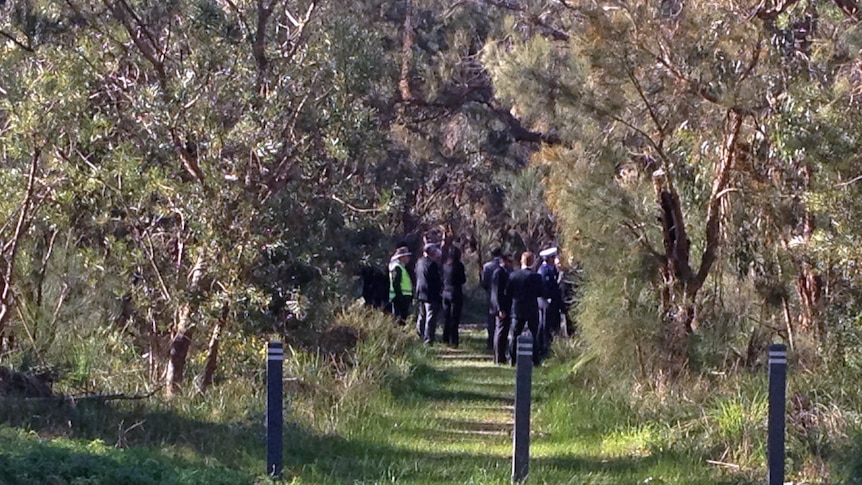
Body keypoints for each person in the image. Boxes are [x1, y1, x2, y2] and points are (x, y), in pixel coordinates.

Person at [507, 251, 543, 365]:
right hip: (532, 308)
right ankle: (535, 360)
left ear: (521, 261)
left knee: (515, 334)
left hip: (518, 308)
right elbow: (541, 292)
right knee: (534, 333)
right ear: (532, 262)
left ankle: (512, 359)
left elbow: (508, 292)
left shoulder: (513, 275)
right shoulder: (536, 277)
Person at [414, 244, 442, 345]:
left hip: (420, 292)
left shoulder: (419, 262)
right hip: (431, 293)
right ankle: (428, 338)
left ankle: (419, 335)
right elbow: (436, 280)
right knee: (430, 316)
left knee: (422, 315)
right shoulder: (432, 264)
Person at [537, 247, 561, 359]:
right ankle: (543, 349)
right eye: (553, 257)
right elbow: (544, 287)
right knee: (545, 326)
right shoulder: (544, 270)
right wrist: (548, 299)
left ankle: (549, 347)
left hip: (552, 303)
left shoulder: (552, 269)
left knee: (551, 325)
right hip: (546, 302)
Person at [442, 246, 467, 347]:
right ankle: (454, 340)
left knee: (446, 317)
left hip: (445, 292)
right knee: (454, 317)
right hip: (455, 293)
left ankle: (445, 338)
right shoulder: (458, 265)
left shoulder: (445, 265)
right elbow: (463, 280)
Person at [490, 254, 511, 364]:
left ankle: (501, 356)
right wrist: (500, 308)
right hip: (501, 307)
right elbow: (496, 292)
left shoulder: (504, 272)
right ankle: (499, 357)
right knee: (500, 331)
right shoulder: (499, 273)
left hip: (504, 307)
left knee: (503, 332)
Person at [481, 247, 503, 350]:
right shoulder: (503, 265)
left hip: (490, 295)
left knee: (491, 319)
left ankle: (491, 342)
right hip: (503, 295)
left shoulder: (487, 266)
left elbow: (484, 283)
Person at [388, 247, 413, 324]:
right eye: (406, 256)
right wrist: (400, 296)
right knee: (399, 319)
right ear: (401, 257)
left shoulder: (401, 267)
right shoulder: (397, 267)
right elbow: (396, 283)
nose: (408, 258)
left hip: (403, 297)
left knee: (402, 319)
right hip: (400, 298)